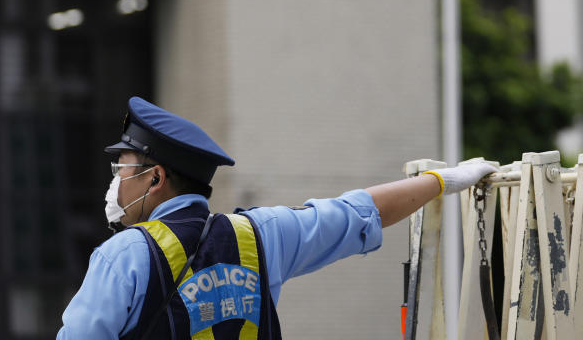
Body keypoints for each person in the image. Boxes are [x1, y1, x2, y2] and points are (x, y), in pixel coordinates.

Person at [57, 96, 496, 339]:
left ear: (155, 179)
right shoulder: (260, 235)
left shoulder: (123, 256)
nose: (115, 183)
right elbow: (359, 213)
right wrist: (446, 181)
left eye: (123, 169)